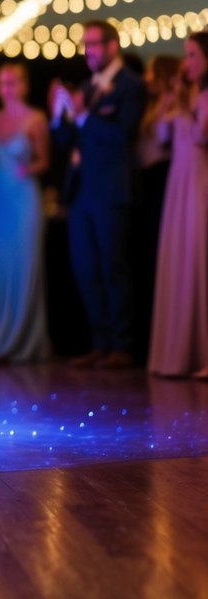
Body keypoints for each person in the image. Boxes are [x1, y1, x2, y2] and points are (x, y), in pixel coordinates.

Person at [51, 20, 145, 369]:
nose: (88, 51)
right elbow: (67, 141)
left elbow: (123, 135)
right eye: (85, 45)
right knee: (85, 267)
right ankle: (100, 341)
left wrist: (83, 115)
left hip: (111, 188)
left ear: (112, 45)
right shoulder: (88, 87)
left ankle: (122, 345)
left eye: (93, 44)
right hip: (82, 190)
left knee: (113, 265)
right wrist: (59, 116)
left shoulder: (130, 86)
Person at [0, 63, 50, 364]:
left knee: (22, 268)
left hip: (22, 199)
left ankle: (20, 342)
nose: (7, 88)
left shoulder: (36, 118)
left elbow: (45, 161)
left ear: (25, 85)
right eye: (2, 83)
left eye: (13, 82)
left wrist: (27, 167)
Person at [148, 35, 208, 378]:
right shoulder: (184, 94)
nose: (188, 62)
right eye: (186, 56)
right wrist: (169, 104)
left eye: (194, 55)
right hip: (178, 180)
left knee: (198, 255)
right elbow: (161, 137)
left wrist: (185, 103)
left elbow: (202, 136)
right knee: (179, 256)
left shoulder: (203, 96)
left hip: (200, 180)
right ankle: (176, 351)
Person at [132, 55, 179, 361]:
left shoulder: (170, 103)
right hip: (146, 180)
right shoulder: (149, 106)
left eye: (151, 73)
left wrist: (165, 102)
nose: (146, 79)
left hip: (162, 179)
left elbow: (162, 138)